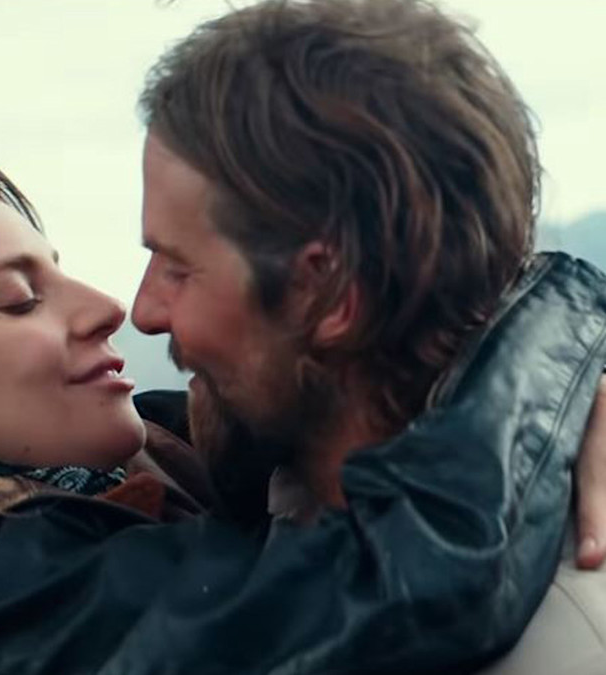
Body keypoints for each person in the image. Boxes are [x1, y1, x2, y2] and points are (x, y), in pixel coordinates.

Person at [0, 134, 606, 675]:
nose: (111, 306)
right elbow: (415, 585)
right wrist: (562, 306)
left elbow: (289, 404)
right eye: (20, 299)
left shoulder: (119, 472)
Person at [128, 0, 606, 672]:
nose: (143, 311)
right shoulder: (271, 496)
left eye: (177, 268)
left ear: (329, 296)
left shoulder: (560, 646)